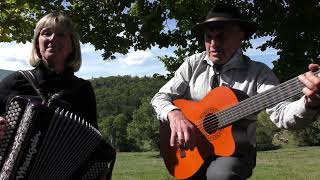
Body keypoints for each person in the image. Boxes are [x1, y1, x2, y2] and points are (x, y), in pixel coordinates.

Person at [151, 3, 320, 180]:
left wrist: (309, 103)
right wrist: (174, 114)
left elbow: (282, 114)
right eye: (209, 37)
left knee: (221, 175)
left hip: (236, 152)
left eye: (221, 36)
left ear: (241, 37)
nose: (214, 44)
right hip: (194, 150)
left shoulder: (259, 72)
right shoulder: (193, 64)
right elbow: (160, 97)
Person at [0, 12, 113, 179]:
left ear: (72, 45)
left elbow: (92, 146)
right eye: (46, 33)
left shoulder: (82, 90)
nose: (53, 38)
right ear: (37, 43)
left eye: (61, 34)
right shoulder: (16, 81)